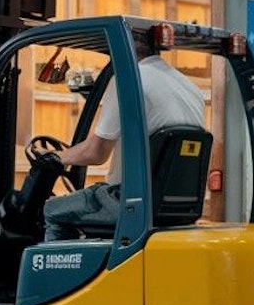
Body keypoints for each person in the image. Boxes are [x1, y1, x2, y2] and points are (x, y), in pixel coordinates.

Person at [43, 42, 206, 241]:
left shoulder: (130, 80)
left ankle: (55, 272)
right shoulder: (189, 88)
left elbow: (97, 153)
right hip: (176, 207)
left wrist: (54, 157)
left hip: (128, 200)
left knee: (53, 210)